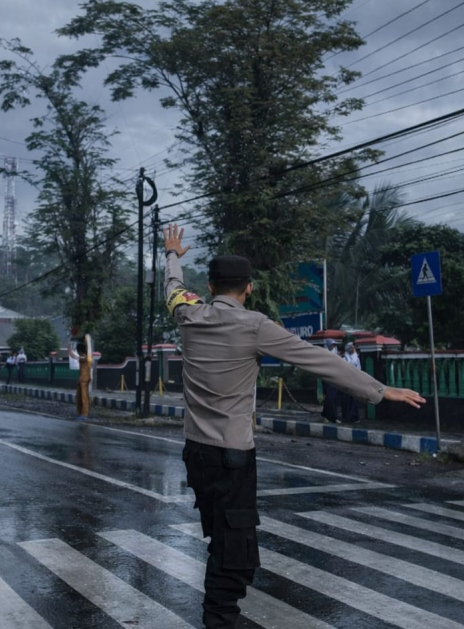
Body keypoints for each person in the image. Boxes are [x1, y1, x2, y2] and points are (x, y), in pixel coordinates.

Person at [163, 224, 425, 629]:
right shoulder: (255, 326)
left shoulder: (188, 315)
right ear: (248, 288)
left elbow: (173, 287)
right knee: (235, 552)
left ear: (212, 285)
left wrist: (173, 255)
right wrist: (379, 390)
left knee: (220, 537)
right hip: (233, 457)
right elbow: (319, 360)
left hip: (195, 453)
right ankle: (219, 622)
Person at [340, 342, 363, 423]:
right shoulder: (344, 358)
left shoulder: (356, 357)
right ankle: (346, 417)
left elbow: (359, 368)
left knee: (354, 400)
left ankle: (354, 417)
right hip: (347, 381)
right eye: (351, 347)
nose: (353, 349)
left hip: (355, 381)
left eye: (353, 347)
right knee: (346, 400)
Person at [70, 340, 91, 421]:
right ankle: (80, 412)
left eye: (78, 351)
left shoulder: (85, 357)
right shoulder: (83, 357)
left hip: (84, 379)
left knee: (84, 397)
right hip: (81, 379)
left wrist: (69, 350)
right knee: (79, 397)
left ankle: (84, 414)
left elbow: (75, 356)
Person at [320, 339, 340, 424]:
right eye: (331, 345)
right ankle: (333, 417)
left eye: (334, 345)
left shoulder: (335, 354)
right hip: (327, 378)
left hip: (335, 378)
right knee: (330, 398)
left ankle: (325, 415)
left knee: (332, 398)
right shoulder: (324, 355)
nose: (333, 347)